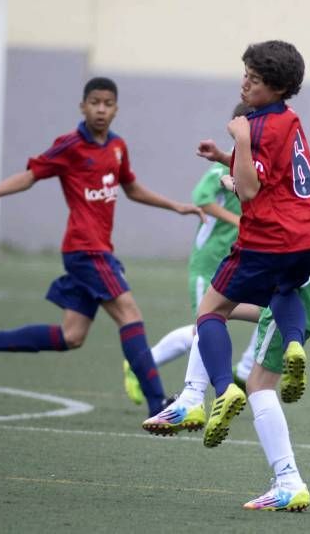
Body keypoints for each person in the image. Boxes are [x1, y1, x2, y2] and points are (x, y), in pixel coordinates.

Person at [148, 117, 310, 512]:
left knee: (258, 383)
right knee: (219, 309)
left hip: (301, 285)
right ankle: (199, 392)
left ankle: (287, 478)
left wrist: (231, 174)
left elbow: (270, 188)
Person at [0, 77, 204, 418]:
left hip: (98, 249)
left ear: (116, 108)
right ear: (82, 106)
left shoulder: (117, 147)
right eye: (94, 102)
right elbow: (32, 174)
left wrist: (175, 206)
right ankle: (158, 403)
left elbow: (131, 188)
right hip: (85, 250)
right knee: (129, 313)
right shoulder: (69, 145)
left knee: (71, 336)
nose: (100, 109)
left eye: (107, 103)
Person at [144, 40, 310, 449]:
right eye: (245, 73)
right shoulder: (289, 117)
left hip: (270, 238)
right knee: (284, 289)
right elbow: (271, 171)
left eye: (256, 80)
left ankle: (225, 389)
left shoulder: (257, 126)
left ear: (278, 88)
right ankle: (295, 343)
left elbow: (247, 190)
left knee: (210, 311)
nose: (245, 84)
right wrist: (224, 156)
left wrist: (241, 139)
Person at [122, 103, 259, 406]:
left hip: (237, 263)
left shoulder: (255, 167)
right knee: (204, 327)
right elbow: (202, 202)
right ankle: (144, 367)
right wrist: (239, 221)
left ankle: (239, 373)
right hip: (209, 262)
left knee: (253, 315)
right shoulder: (222, 167)